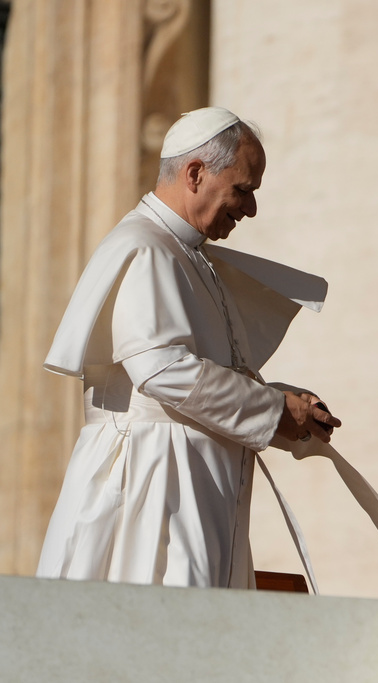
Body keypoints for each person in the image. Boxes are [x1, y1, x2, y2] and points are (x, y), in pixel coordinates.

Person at [36, 107, 341, 589]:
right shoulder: (146, 247)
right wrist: (270, 407)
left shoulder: (191, 256)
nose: (251, 209)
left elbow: (202, 373)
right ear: (196, 173)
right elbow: (162, 371)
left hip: (192, 482)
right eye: (243, 190)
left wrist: (287, 406)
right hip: (155, 486)